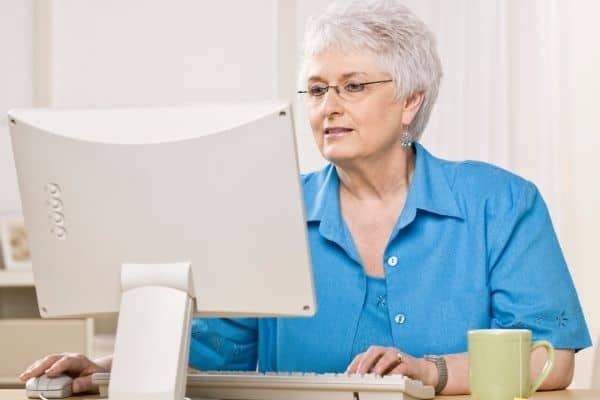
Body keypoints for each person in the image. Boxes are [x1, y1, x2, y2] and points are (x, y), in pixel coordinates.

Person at [20, 0, 591, 395]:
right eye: (317, 90)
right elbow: (208, 357)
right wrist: (99, 370)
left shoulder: (502, 204)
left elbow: (553, 359)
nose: (328, 107)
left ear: (411, 102)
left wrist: (429, 372)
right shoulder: (270, 215)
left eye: (354, 86)